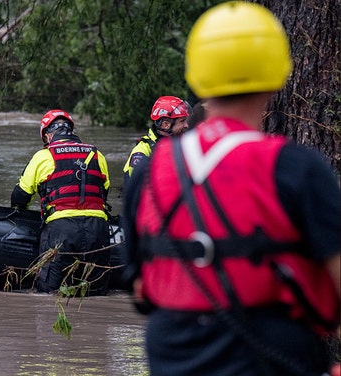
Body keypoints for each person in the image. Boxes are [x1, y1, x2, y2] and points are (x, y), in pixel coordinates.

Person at [121, 2, 341, 375]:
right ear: (278, 75)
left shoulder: (146, 174)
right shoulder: (298, 170)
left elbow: (142, 288)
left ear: (197, 77)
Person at [11, 109, 112, 296]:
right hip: (98, 229)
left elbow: (20, 196)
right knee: (96, 292)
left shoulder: (43, 156)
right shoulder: (97, 154)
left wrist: (22, 219)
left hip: (62, 230)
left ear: (48, 135)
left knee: (50, 293)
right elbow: (104, 191)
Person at [122, 95, 191, 186]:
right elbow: (138, 190)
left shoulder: (185, 143)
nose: (186, 125)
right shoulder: (142, 151)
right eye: (182, 121)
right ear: (166, 125)